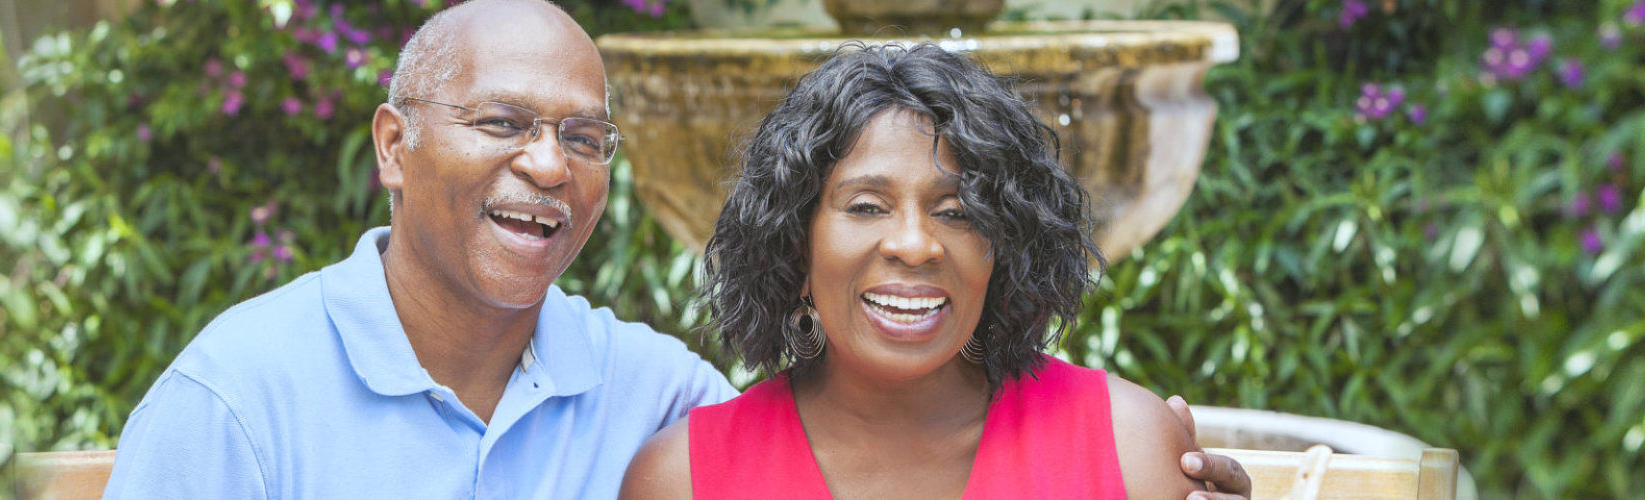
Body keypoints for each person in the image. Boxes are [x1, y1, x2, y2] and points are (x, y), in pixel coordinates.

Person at [104, 1, 1251, 498]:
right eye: (504, 124)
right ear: (396, 147)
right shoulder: (240, 396)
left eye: (584, 137)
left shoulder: (651, 402)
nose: (549, 165)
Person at [621, 43, 1227, 499]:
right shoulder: (684, 479)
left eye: (957, 211)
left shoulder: (1129, 447)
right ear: (794, 246)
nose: (915, 245)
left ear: (1005, 246)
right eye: (865, 207)